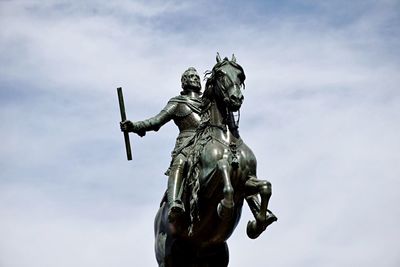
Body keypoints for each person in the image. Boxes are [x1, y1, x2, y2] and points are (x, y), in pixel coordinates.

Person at [120, 67, 202, 224]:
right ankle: (174, 203)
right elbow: (157, 121)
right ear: (184, 82)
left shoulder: (209, 102)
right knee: (179, 163)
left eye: (197, 76)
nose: (195, 78)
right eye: (191, 76)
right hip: (187, 143)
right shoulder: (177, 103)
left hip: (208, 139)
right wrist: (135, 126)